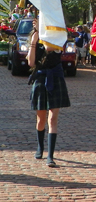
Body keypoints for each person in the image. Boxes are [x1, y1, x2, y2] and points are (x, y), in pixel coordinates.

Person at [27, 18, 70, 167]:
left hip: (55, 78)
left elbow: (50, 48)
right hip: (40, 79)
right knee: (41, 119)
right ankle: (40, 147)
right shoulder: (35, 39)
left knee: (52, 119)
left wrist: (43, 34)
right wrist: (34, 41)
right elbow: (31, 62)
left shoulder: (56, 38)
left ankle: (50, 156)